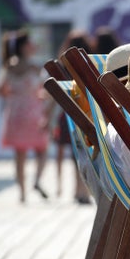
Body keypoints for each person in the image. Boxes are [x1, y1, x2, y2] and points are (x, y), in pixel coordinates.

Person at [0, 29, 52, 203]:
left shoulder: (9, 66)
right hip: (34, 114)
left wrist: (14, 94)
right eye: (30, 43)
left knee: (19, 155)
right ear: (24, 46)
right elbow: (46, 89)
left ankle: (22, 193)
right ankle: (36, 180)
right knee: (42, 150)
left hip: (15, 114)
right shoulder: (34, 67)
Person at [55, 29, 93, 204]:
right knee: (87, 152)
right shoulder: (90, 63)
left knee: (75, 154)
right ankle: (84, 191)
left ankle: (77, 190)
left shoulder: (63, 65)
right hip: (89, 112)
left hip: (69, 112)